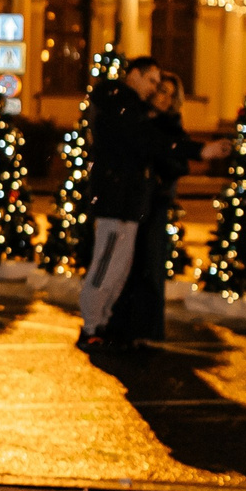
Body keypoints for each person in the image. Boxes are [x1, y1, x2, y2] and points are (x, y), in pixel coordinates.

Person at [110, 70, 229, 346]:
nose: (165, 97)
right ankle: (122, 324)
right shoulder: (134, 116)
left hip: (155, 202)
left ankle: (149, 330)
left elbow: (180, 159)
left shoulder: (170, 125)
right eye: (162, 90)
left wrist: (161, 169)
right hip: (130, 202)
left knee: (150, 266)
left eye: (171, 95)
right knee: (125, 265)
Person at [77, 55, 168, 351]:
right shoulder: (119, 105)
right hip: (115, 202)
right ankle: (91, 326)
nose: (155, 88)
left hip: (127, 203)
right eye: (151, 81)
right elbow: (138, 142)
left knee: (119, 267)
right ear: (135, 75)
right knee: (106, 265)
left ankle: (101, 323)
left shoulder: (133, 108)